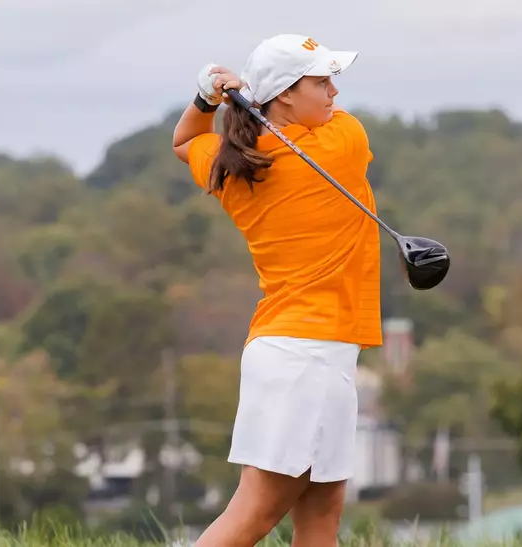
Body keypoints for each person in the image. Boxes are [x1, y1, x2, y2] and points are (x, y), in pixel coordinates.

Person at [171, 34, 382, 547]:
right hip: (306, 357)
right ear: (285, 94)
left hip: (305, 352)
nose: (333, 92)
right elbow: (334, 119)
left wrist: (207, 97)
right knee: (255, 513)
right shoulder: (341, 143)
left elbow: (183, 142)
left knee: (322, 513)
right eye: (320, 81)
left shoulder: (231, 162)